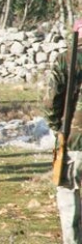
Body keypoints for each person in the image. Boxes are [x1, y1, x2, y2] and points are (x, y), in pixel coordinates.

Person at [44, 19, 82, 244]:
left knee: (68, 194)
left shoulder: (65, 60)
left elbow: (51, 101)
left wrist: (56, 127)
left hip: (74, 138)